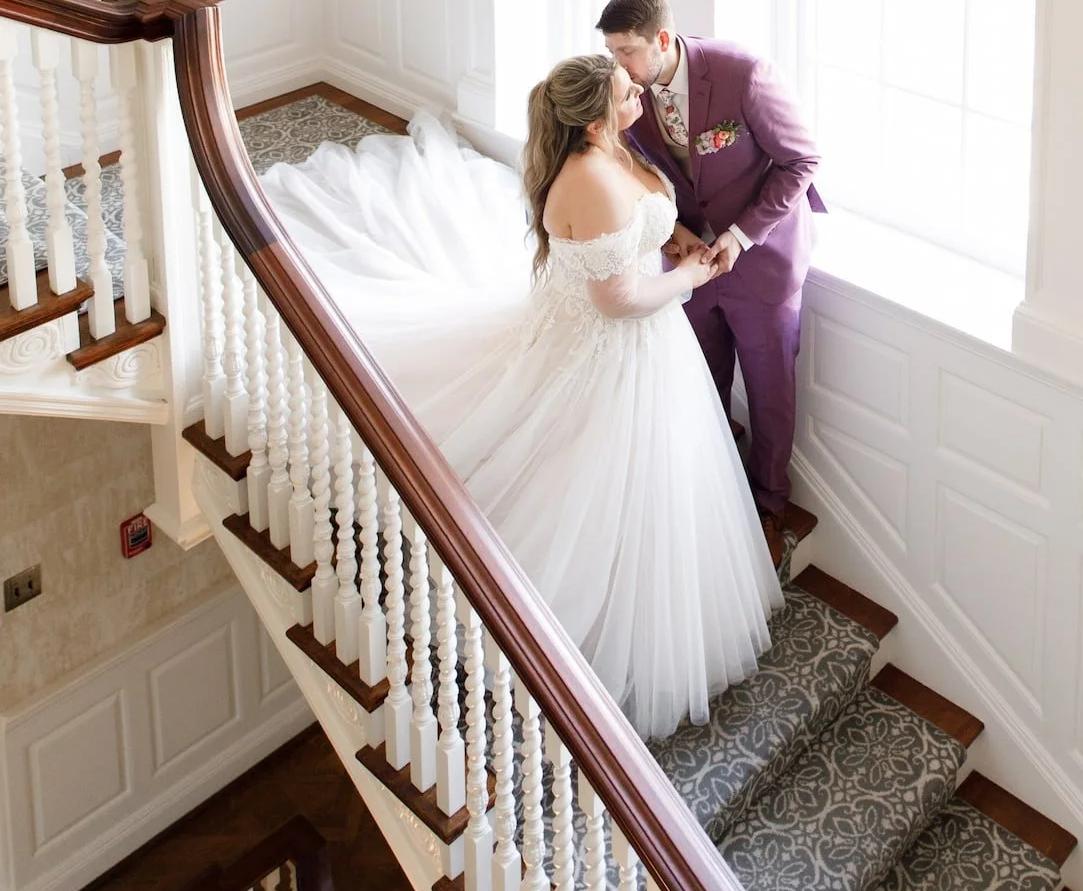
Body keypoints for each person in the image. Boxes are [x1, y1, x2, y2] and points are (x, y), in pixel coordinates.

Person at [261, 54, 781, 741]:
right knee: (593, 484)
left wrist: (679, 240)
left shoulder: (614, 150)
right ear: (594, 123)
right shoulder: (590, 180)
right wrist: (688, 277)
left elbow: (644, 227)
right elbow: (619, 299)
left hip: (654, 347)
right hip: (608, 348)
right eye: (628, 96)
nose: (640, 101)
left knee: (660, 482)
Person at [597, 0, 822, 566]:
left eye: (626, 51)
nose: (616, 64)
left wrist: (740, 236)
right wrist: (675, 238)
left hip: (761, 261)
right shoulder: (625, 94)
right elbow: (631, 169)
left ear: (663, 41)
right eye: (612, 50)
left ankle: (769, 506)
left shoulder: (742, 74)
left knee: (770, 391)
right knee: (700, 380)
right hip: (689, 264)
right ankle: (709, 495)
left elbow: (802, 161)